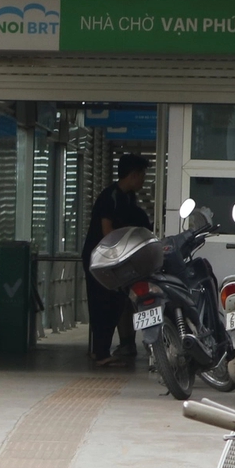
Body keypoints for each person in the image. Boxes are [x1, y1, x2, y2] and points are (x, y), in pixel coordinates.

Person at [82, 154, 152, 368]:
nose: (143, 180)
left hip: (114, 260)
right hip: (99, 260)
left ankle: (100, 350)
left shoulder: (129, 197)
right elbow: (107, 231)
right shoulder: (109, 197)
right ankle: (100, 353)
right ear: (133, 175)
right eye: (142, 175)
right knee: (102, 304)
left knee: (116, 303)